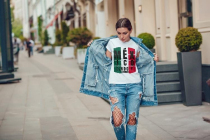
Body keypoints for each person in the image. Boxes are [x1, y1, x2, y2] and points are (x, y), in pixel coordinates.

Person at [80, 18, 158, 140]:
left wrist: (152, 58)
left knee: (131, 121)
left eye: (125, 33)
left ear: (131, 30)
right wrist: (94, 46)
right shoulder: (112, 43)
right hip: (116, 86)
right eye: (119, 33)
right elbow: (104, 62)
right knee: (117, 121)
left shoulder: (136, 45)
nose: (122, 36)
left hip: (135, 86)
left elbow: (141, 62)